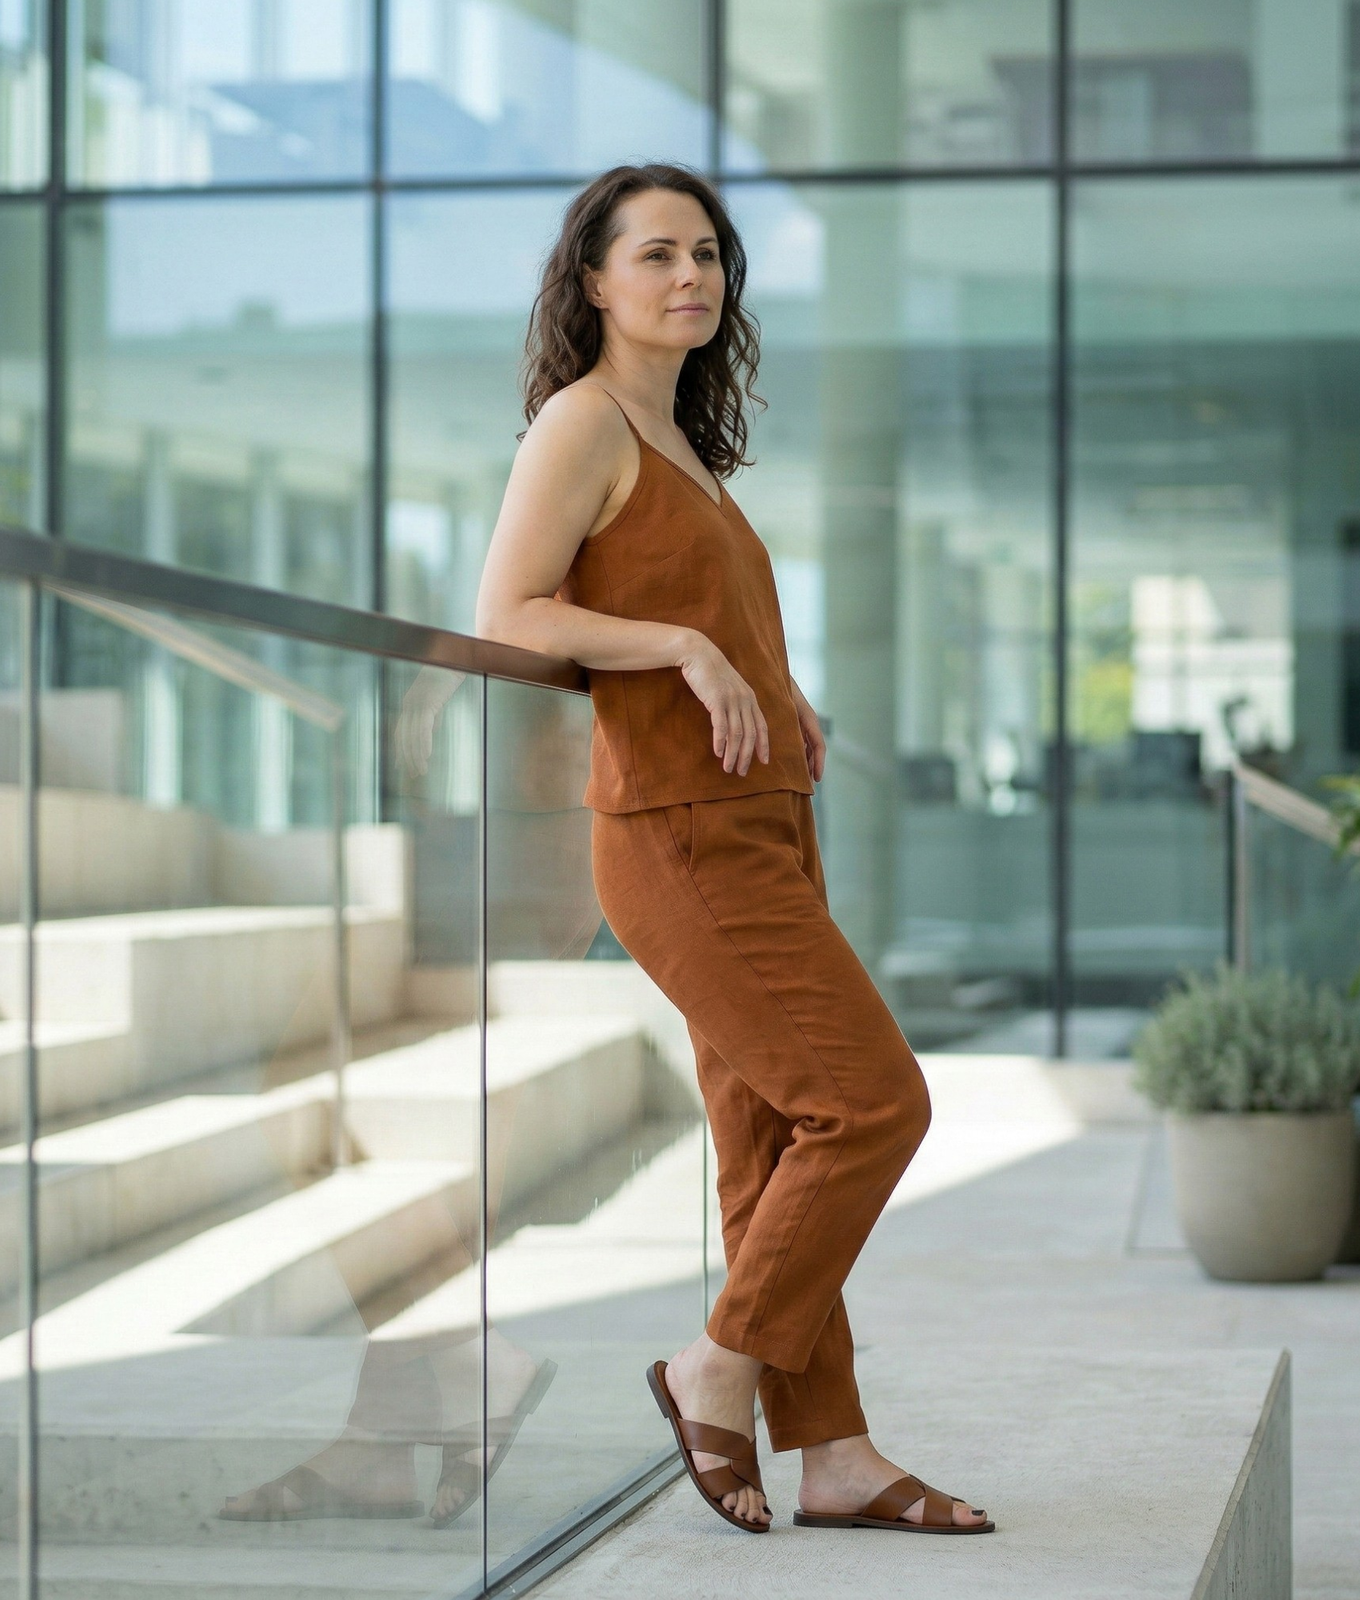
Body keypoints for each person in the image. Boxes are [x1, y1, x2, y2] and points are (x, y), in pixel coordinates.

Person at [471, 162, 991, 1537]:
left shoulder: (686, 443)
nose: (690, 276)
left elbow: (686, 597)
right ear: (592, 281)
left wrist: (775, 681)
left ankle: (835, 1454)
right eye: (656, 255)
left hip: (761, 823)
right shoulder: (581, 427)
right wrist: (688, 649)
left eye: (707, 254)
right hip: (676, 835)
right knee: (875, 1104)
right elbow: (511, 614)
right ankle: (715, 1367)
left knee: (771, 1151)